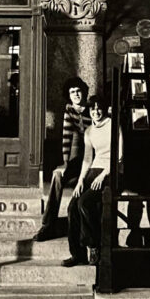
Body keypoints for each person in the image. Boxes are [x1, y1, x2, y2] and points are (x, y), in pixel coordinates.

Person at [63, 94, 123, 267]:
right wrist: (81, 181)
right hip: (93, 170)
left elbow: (119, 156)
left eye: (99, 108)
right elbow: (87, 160)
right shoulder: (89, 131)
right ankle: (77, 254)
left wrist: (104, 174)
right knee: (72, 206)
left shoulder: (114, 125)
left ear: (104, 109)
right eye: (93, 108)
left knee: (85, 203)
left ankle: (94, 245)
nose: (96, 111)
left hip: (110, 171)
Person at [33, 77, 90, 241]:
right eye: (72, 92)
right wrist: (65, 163)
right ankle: (48, 225)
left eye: (78, 91)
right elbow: (66, 138)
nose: (76, 95)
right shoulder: (70, 111)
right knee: (57, 175)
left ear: (84, 92)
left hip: (93, 159)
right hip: (77, 159)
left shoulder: (93, 108)